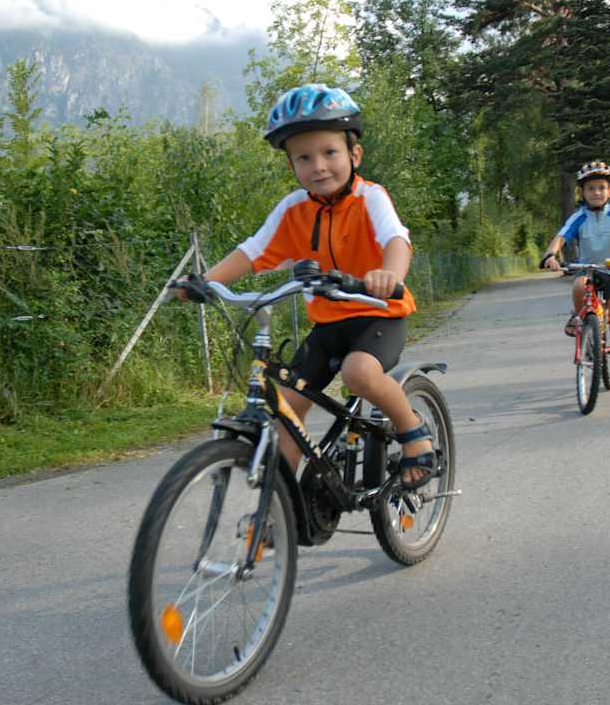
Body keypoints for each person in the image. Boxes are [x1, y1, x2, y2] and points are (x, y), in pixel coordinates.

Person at [176, 84, 436, 489]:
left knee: (359, 372)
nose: (318, 166)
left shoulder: (371, 198)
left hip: (378, 315)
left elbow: (395, 240)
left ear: (354, 154)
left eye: (329, 152)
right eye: (304, 157)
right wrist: (206, 282)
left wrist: (391, 275)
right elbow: (252, 251)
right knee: (286, 409)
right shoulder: (293, 210)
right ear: (291, 166)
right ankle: (278, 514)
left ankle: (413, 434)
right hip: (327, 325)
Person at [540, 160, 610, 377]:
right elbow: (561, 236)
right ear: (582, 192)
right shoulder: (579, 216)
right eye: (591, 188)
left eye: (602, 188)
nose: (596, 192)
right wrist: (551, 254)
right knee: (579, 285)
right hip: (587, 268)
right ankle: (579, 317)